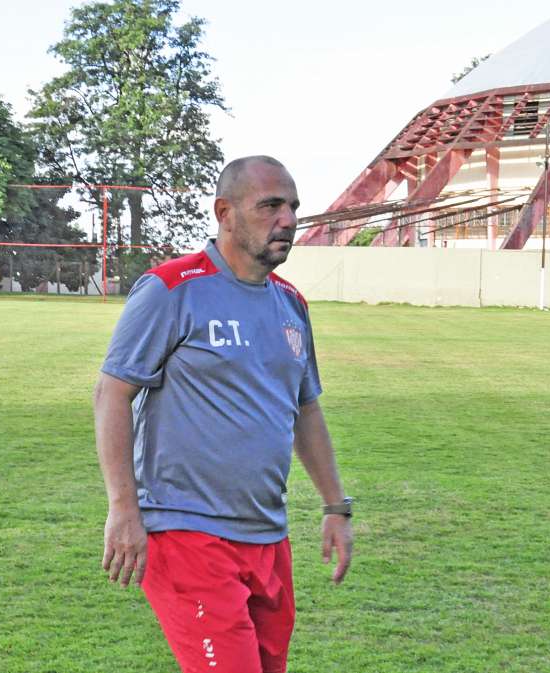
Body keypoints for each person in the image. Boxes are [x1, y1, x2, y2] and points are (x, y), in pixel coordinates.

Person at [93, 156, 353, 673]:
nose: (288, 220)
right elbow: (112, 394)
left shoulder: (290, 303)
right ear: (225, 212)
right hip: (186, 533)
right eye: (271, 206)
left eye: (293, 207)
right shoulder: (172, 288)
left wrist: (334, 505)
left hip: (266, 535)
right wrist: (124, 508)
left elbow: (304, 408)